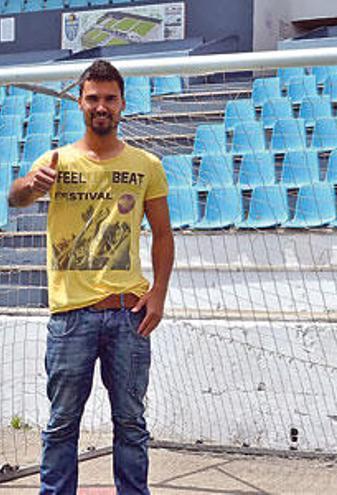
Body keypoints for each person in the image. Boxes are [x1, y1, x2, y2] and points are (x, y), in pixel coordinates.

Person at [7, 59, 173, 494]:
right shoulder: (56, 160)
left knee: (131, 422)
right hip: (70, 319)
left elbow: (163, 235)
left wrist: (158, 293)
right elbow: (15, 197)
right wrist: (31, 183)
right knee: (62, 422)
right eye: (93, 98)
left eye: (110, 99)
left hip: (127, 316)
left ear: (122, 104)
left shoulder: (146, 165)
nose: (102, 106)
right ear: (80, 103)